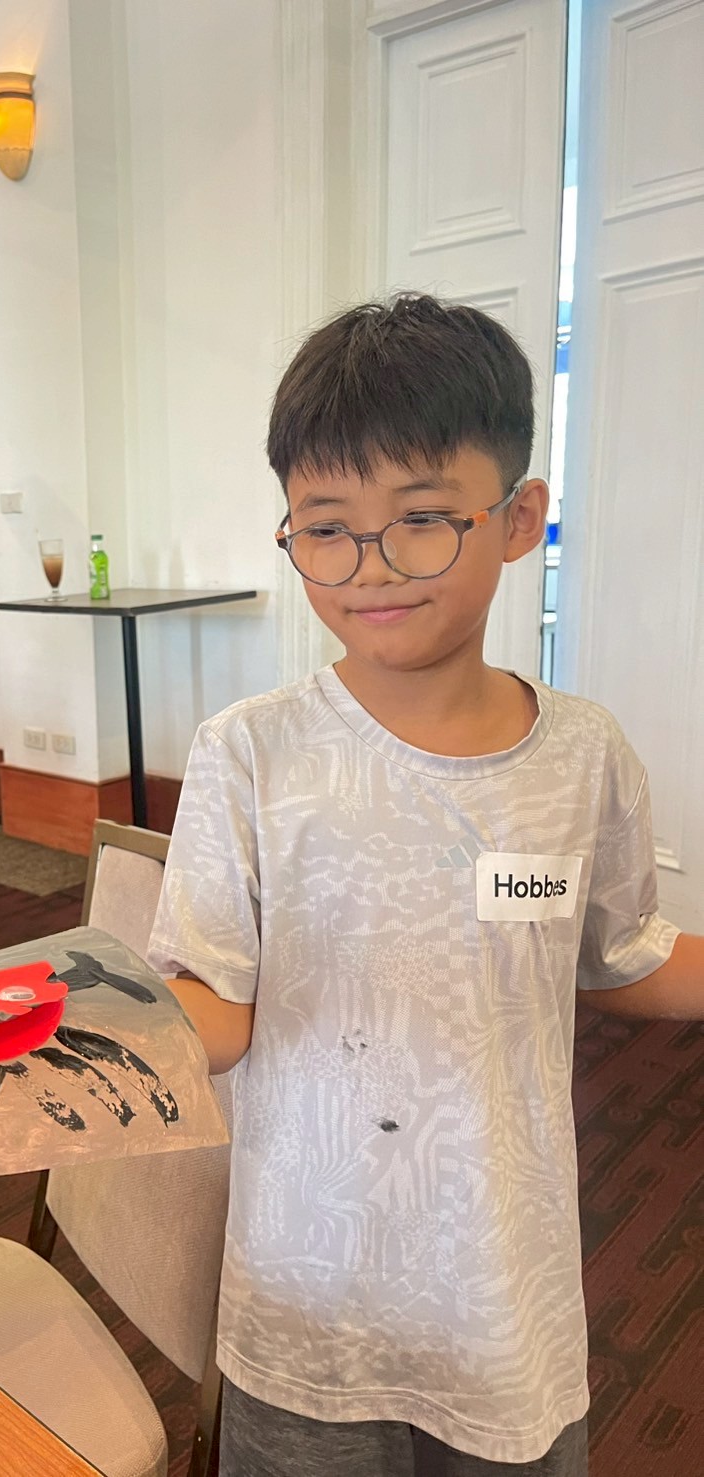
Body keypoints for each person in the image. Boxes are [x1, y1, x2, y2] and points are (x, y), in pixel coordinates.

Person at [147, 294, 703, 1476]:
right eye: (327, 528)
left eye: (421, 519)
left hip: (499, 1296)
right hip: (307, 1301)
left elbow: (620, 957)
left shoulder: (582, 756)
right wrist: (73, 1036)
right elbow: (217, 1010)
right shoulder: (250, 753)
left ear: (518, 519)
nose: (373, 565)